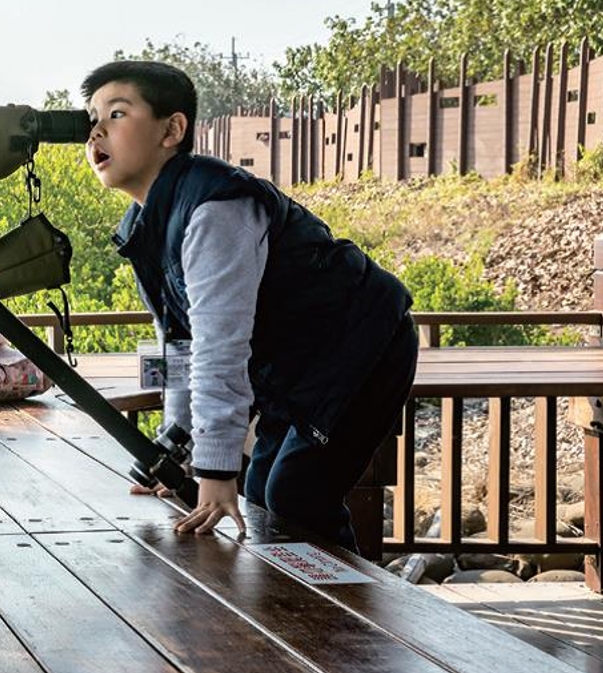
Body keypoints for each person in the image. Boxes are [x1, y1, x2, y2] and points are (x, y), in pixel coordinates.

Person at [82, 60, 418, 553]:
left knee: (295, 497)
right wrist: (176, 450)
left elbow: (219, 344)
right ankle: (303, 620)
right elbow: (178, 345)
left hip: (362, 346)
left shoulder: (215, 208)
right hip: (298, 367)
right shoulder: (146, 224)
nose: (95, 133)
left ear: (172, 129)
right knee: (263, 492)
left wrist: (215, 471)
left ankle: (349, 624)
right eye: (90, 119)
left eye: (115, 114)